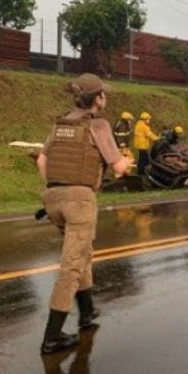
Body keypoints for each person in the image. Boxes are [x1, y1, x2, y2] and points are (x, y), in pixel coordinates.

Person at [36, 73, 129, 354]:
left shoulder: (62, 124)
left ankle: (87, 312)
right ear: (97, 98)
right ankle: (52, 338)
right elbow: (118, 168)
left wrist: (58, 188)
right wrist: (125, 161)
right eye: (104, 94)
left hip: (53, 198)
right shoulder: (97, 125)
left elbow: (43, 160)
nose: (106, 98)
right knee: (72, 266)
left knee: (82, 252)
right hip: (80, 201)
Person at [133, 111, 159, 177]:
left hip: (139, 144)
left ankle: (142, 170)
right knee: (143, 159)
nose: (148, 120)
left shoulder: (137, 125)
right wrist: (158, 138)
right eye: (148, 119)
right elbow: (150, 135)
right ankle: (141, 172)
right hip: (143, 145)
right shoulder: (144, 127)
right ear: (145, 119)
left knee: (143, 158)